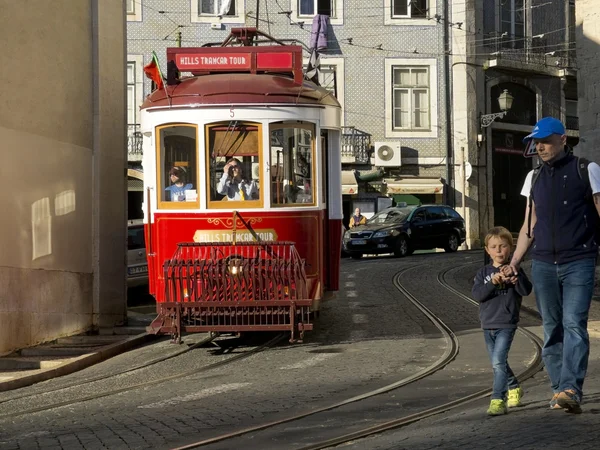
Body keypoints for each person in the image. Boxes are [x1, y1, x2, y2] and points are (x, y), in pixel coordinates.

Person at [508, 116, 600, 414]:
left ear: (563, 139)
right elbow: (529, 226)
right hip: (544, 264)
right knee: (551, 328)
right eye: (536, 141)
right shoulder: (533, 178)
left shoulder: (587, 169)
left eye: (546, 140)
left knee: (574, 324)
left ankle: (571, 387)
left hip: (579, 260)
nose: (540, 146)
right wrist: (513, 262)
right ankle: (560, 389)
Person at [472, 227, 532, 416]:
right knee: (498, 363)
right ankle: (514, 386)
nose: (499, 251)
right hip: (487, 323)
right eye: (494, 247)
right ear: (487, 250)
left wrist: (515, 278)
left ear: (511, 248)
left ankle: (498, 399)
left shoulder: (515, 270)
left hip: (506, 322)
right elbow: (478, 295)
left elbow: (525, 290)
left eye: (503, 246)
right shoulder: (483, 273)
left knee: (498, 363)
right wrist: (492, 282)